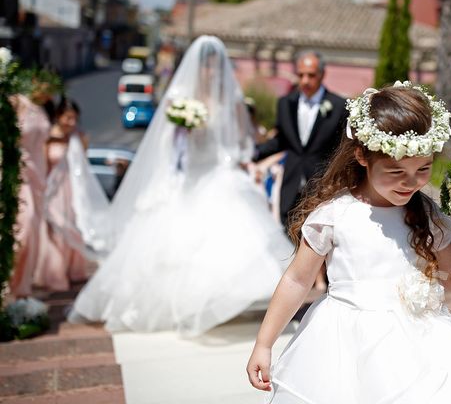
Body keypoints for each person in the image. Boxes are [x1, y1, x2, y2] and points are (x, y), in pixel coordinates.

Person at [247, 83, 451, 403]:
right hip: (345, 345)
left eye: (423, 169)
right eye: (395, 171)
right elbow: (297, 280)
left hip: (422, 344)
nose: (410, 182)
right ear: (362, 155)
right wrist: (264, 343)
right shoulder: (334, 215)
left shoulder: (426, 215)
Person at [69, 36, 291, 336]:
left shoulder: (232, 100)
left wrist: (234, 158)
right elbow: (164, 139)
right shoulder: (181, 95)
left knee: (227, 237)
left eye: (216, 67)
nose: (212, 73)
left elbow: (242, 142)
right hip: (188, 176)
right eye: (207, 67)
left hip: (218, 172)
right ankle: (182, 306)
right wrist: (184, 130)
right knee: (174, 244)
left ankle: (216, 303)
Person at [253, 51, 347, 228]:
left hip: (322, 185)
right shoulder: (285, 103)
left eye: (311, 75)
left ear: (322, 75)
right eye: (300, 75)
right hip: (290, 182)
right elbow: (281, 140)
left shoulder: (338, 106)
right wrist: (253, 152)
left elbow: (342, 147)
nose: (305, 80)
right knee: (285, 231)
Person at [34, 99, 91, 291]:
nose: (72, 122)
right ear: (59, 117)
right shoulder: (47, 138)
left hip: (73, 190)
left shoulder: (79, 138)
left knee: (73, 227)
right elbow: (42, 166)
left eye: (75, 118)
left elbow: (83, 168)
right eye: (68, 118)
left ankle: (72, 270)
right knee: (56, 229)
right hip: (54, 191)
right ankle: (55, 274)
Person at [10, 80, 53, 298]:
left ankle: (22, 288)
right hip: (18, 175)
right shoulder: (16, 103)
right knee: (22, 230)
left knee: (32, 233)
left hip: (37, 177)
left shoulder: (41, 110)